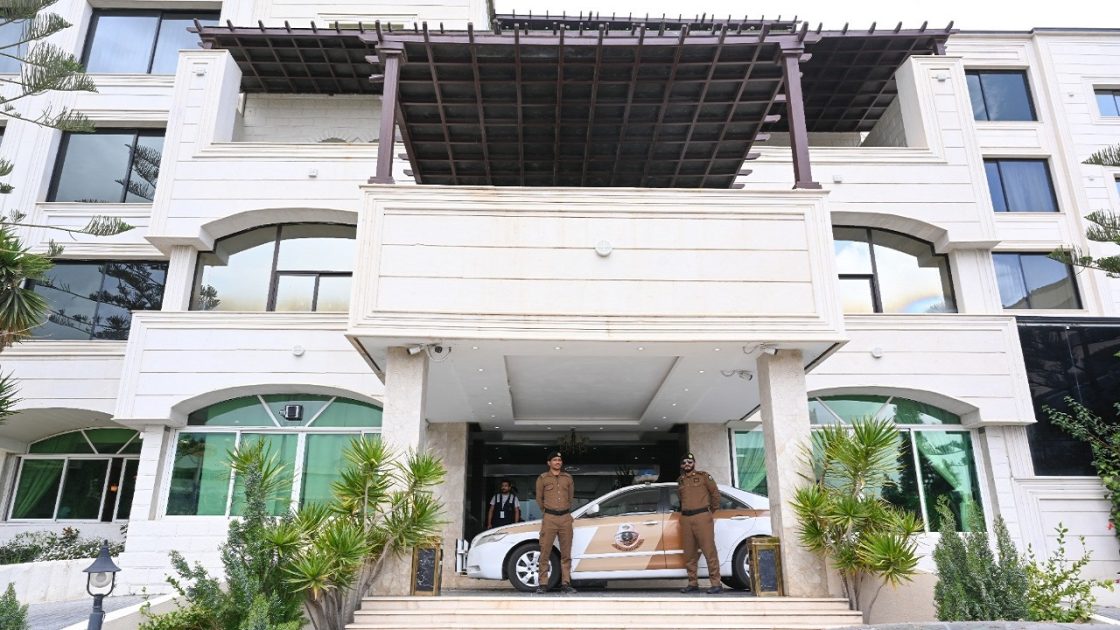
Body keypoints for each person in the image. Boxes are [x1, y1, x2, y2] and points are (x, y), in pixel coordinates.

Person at [677, 452, 722, 594]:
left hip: (702, 516)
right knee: (689, 553)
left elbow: (715, 494)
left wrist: (710, 511)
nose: (687, 464)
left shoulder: (703, 476)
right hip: (686, 519)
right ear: (681, 466)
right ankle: (692, 583)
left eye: (689, 462)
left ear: (694, 463)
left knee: (709, 550)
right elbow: (681, 499)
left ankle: (716, 583)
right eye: (684, 463)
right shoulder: (680, 480)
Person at [534, 450, 576, 594]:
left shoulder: (568, 478)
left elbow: (570, 498)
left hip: (565, 518)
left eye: (559, 460)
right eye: (555, 460)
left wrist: (564, 511)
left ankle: (566, 583)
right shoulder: (543, 478)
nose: (558, 462)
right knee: (545, 551)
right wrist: (547, 512)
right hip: (549, 518)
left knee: (566, 553)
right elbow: (539, 498)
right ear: (549, 463)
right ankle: (543, 584)